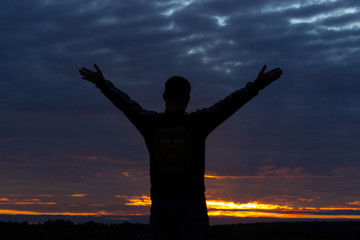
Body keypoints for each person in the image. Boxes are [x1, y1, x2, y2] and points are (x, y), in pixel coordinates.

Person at [79, 64, 282, 240]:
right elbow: (228, 105)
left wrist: (102, 83)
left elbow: (126, 104)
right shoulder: (198, 123)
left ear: (164, 95)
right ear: (188, 98)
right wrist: (257, 85)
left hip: (161, 205)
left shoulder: (149, 123)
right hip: (192, 205)